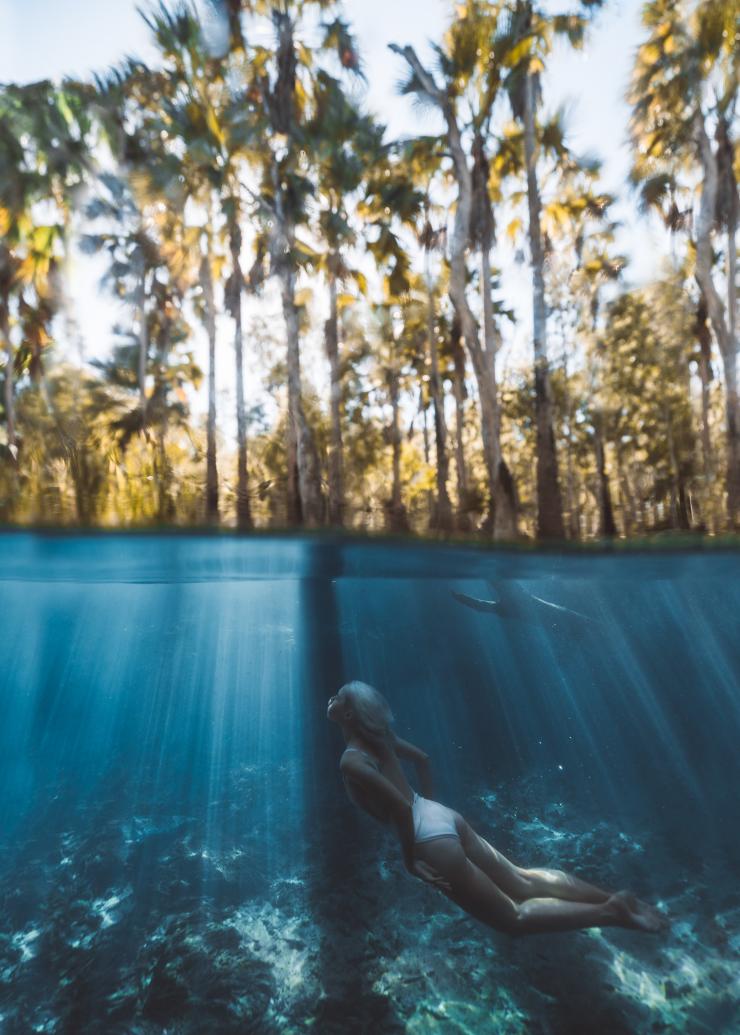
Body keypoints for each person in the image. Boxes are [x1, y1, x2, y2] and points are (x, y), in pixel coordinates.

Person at [327, 681, 669, 937]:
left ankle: (611, 912)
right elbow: (423, 761)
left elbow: (400, 809)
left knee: (513, 918)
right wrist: (430, 805)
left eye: (338, 696)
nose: (331, 698)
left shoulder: (351, 761)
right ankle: (616, 899)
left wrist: (410, 862)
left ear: (349, 713)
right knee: (522, 879)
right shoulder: (383, 737)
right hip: (439, 816)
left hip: (425, 838)